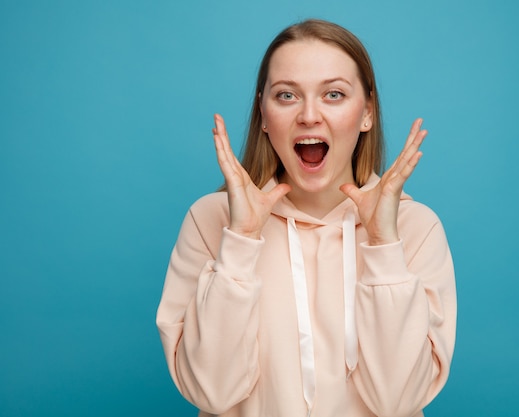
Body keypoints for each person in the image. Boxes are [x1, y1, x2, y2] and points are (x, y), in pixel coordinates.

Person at [156, 19, 456, 417]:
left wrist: (384, 247)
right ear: (263, 114)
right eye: (286, 96)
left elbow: (397, 402)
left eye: (333, 94)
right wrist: (242, 239)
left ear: (367, 113)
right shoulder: (210, 221)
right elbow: (211, 392)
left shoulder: (416, 229)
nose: (309, 115)